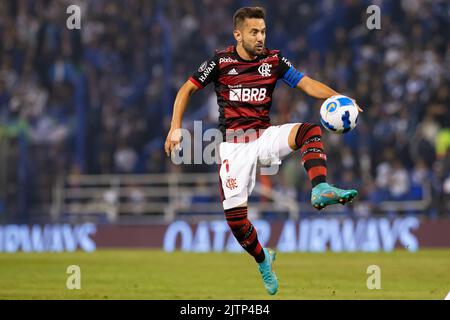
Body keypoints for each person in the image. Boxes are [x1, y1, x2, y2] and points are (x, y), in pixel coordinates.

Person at [165, 7, 362, 295]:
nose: (260, 37)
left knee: (309, 131)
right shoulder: (220, 62)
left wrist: (339, 97)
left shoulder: (274, 60)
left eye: (263, 31)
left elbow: (306, 83)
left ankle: (320, 188)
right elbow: (185, 89)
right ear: (238, 34)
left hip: (264, 136)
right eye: (254, 32)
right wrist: (175, 127)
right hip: (234, 147)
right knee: (236, 222)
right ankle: (262, 258)